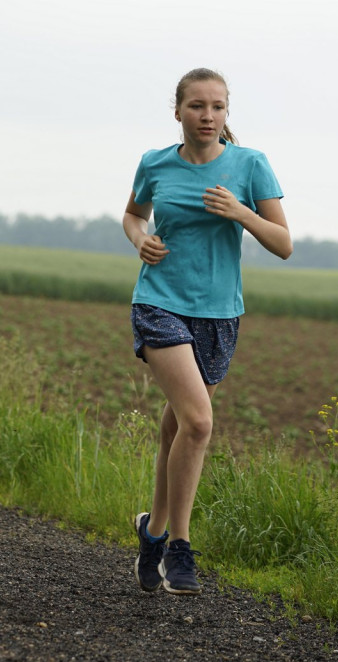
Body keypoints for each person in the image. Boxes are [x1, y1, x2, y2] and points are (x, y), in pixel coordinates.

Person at [124, 68, 293, 595]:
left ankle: (150, 532)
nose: (208, 115)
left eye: (217, 107)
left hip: (220, 314)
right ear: (178, 112)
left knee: (177, 428)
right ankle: (180, 548)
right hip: (159, 301)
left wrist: (240, 212)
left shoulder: (251, 165)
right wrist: (140, 240)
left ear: (227, 113)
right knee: (198, 424)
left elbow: (284, 244)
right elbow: (133, 215)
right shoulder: (155, 163)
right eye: (197, 106)